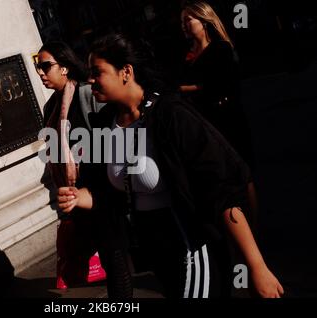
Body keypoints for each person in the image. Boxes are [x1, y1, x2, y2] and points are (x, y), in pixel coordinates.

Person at [57, 33, 284, 298]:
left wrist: (256, 265)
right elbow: (109, 193)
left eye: (98, 72)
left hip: (191, 244)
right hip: (153, 250)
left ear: (126, 72)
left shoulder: (171, 114)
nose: (91, 79)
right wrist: (78, 197)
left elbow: (222, 190)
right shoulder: (105, 123)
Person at [36, 41, 132, 297]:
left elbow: (111, 137)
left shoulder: (87, 94)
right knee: (103, 253)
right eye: (38, 67)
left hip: (100, 189)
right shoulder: (51, 108)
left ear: (65, 66)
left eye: (46, 66)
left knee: (115, 259)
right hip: (75, 195)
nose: (41, 73)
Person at [179, 1, 254, 168]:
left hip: (228, 120)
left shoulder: (221, 48)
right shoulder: (188, 56)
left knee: (240, 170)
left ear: (203, 21)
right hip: (204, 125)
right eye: (182, 22)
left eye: (188, 20)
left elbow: (222, 85)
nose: (183, 25)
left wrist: (184, 89)